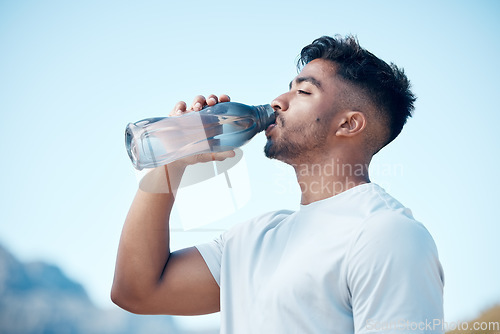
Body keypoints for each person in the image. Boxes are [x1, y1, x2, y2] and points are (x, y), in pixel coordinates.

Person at [111, 35, 444, 333]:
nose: (277, 101)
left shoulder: (386, 234)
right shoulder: (251, 239)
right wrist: (172, 161)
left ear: (348, 123)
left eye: (303, 91)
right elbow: (136, 291)